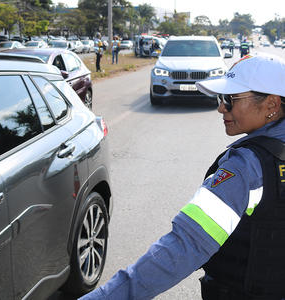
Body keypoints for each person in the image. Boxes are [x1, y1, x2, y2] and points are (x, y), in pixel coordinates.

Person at [78, 52, 285, 300]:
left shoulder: (245, 167)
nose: (221, 107)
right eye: (221, 97)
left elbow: (186, 246)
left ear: (271, 105)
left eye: (230, 99)